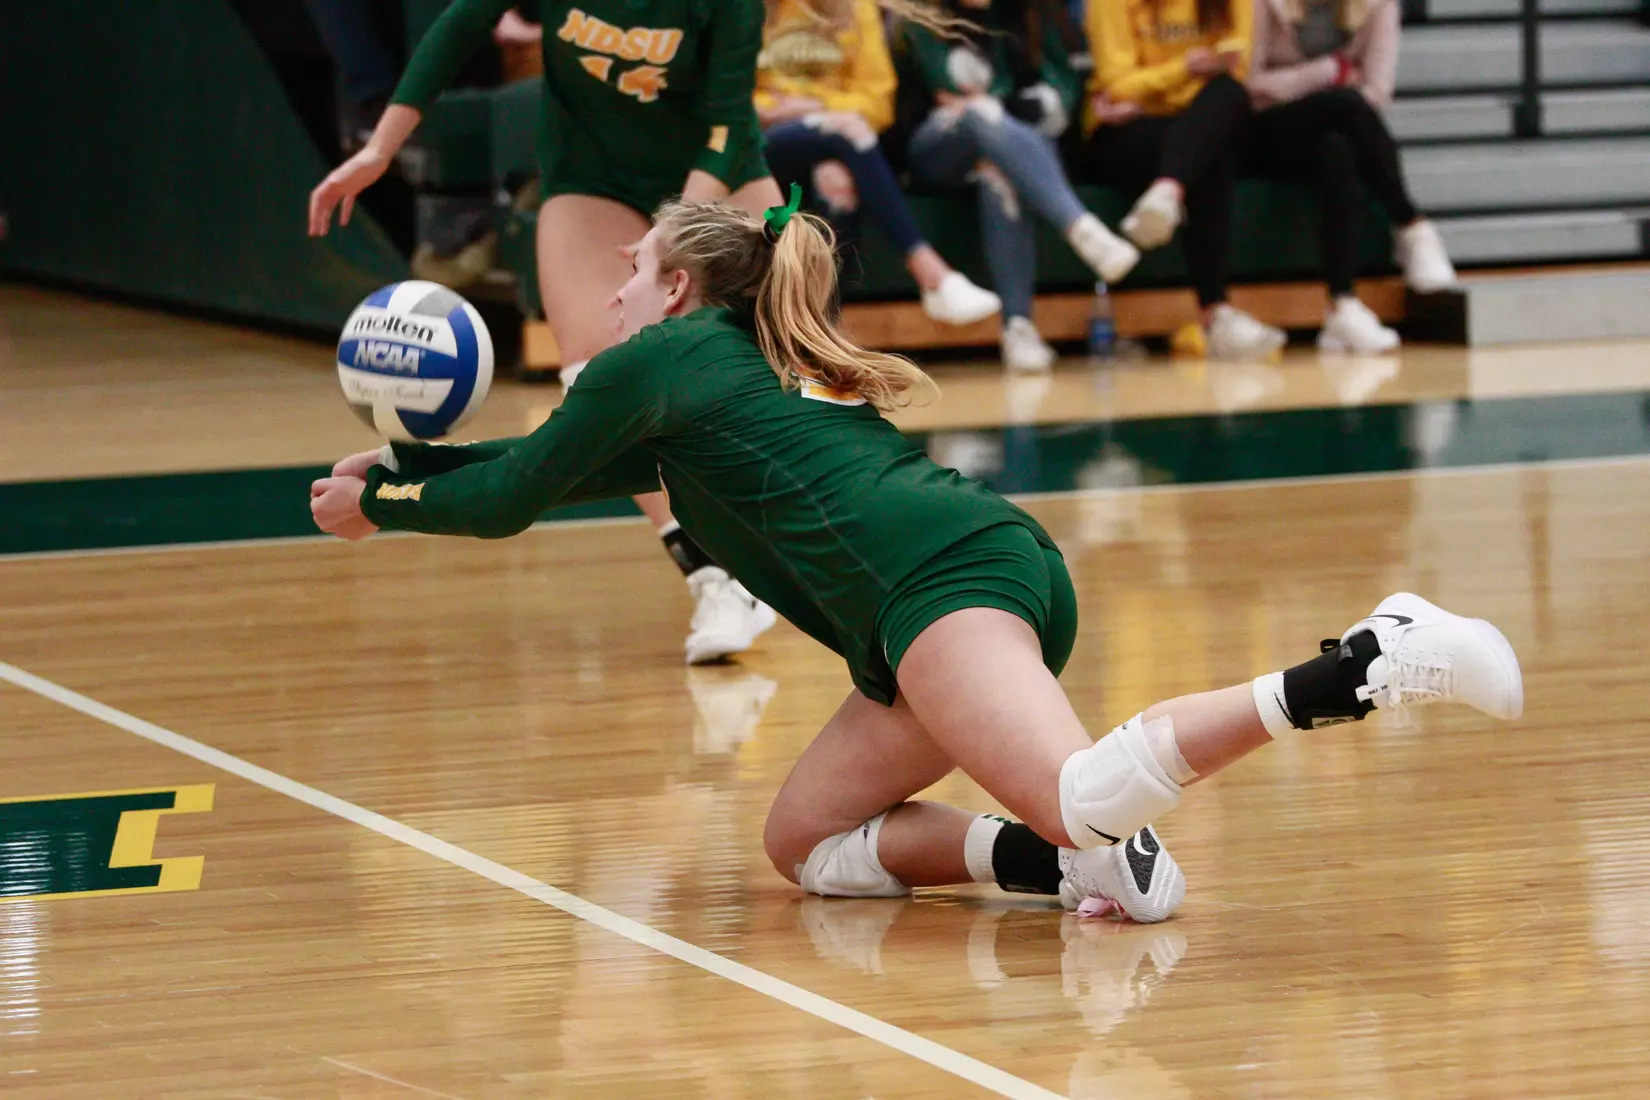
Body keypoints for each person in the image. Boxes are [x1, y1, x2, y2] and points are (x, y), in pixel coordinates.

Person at [309, 192, 1525, 919]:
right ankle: (1058, 867)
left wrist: (388, 498)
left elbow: (511, 494)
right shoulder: (705, 373)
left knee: (1083, 791)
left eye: (629, 276)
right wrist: (397, 479)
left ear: (674, 287)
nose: (611, 296)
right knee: (808, 847)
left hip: (940, 583)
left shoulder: (656, 362)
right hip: (948, 590)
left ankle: (1366, 659)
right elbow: (539, 477)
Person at [308, 0, 784, 665]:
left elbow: (730, 118)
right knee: (600, 375)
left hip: (715, 177)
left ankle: (803, 557)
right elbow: (460, 24)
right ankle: (711, 574)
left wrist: (673, 227)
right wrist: (380, 149)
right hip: (592, 178)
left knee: (785, 374)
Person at [899, 0, 1142, 372]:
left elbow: (1055, 101)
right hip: (935, 147)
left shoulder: (1030, 12)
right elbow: (941, 93)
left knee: (1000, 168)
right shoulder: (918, 15)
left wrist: (995, 115)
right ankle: (1080, 227)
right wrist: (993, 109)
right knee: (981, 113)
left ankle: (1018, 327)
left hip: (1006, 147)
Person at [757, 0, 1003, 326]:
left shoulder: (855, 7)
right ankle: (930, 272)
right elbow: (731, 96)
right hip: (761, 139)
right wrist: (786, 110)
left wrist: (813, 105)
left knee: (840, 183)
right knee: (849, 131)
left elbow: (878, 102)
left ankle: (819, 331)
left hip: (831, 137)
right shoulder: (744, 9)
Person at [1080, 0, 1286, 359]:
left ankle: (1166, 191)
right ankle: (1216, 313)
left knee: (1225, 102)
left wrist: (1151, 95)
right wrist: (1187, 69)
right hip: (1123, 133)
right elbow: (1116, 85)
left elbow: (1233, 70)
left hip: (1190, 122)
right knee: (1206, 145)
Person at [1249, 0, 1457, 353]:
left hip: (1336, 127)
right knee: (1345, 104)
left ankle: (1342, 306)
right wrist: (1331, 70)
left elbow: (1377, 91)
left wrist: (1307, 85)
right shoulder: (1262, 5)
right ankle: (1410, 223)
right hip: (1268, 127)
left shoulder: (1378, 5)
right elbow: (1251, 85)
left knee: (1337, 149)